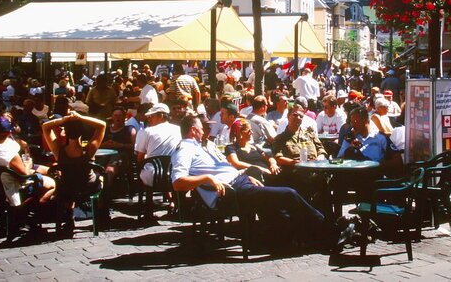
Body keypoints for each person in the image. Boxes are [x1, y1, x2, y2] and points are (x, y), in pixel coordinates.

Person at [170, 114, 327, 247]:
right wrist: (208, 178)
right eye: (201, 128)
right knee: (288, 194)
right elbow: (178, 183)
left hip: (241, 181)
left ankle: (305, 235)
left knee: (281, 202)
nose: (204, 131)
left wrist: (244, 174)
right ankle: (324, 228)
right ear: (193, 130)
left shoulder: (199, 147)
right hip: (232, 191)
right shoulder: (184, 149)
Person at [42, 111, 106, 232]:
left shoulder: (58, 151)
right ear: (82, 132)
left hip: (67, 189)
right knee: (102, 177)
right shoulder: (89, 149)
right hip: (88, 188)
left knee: (69, 180)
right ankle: (102, 214)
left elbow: (45, 127)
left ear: (65, 132)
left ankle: (69, 215)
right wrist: (81, 118)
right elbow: (102, 125)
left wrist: (64, 120)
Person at [0, 116, 55, 205]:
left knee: (43, 170)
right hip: (12, 188)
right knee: (52, 184)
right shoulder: (10, 152)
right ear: (8, 133)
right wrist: (28, 164)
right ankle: (33, 207)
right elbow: (25, 174)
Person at [337, 106, 401, 173]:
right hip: (355, 172)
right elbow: (339, 160)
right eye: (351, 122)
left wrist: (378, 165)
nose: (353, 125)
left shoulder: (380, 137)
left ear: (366, 121)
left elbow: (398, 160)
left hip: (375, 173)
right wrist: (350, 149)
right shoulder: (349, 138)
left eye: (355, 121)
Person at [134, 103, 182, 187]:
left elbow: (139, 158)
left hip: (152, 177)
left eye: (151, 116)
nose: (149, 119)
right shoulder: (178, 129)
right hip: (173, 175)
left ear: (161, 116)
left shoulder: (147, 131)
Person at [100, 107, 136, 190]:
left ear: (124, 117)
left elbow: (135, 146)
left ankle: (106, 190)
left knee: (110, 169)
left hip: (121, 156)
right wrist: (104, 144)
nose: (117, 118)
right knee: (97, 166)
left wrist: (121, 145)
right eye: (115, 115)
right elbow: (96, 144)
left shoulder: (129, 129)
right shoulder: (106, 130)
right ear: (112, 117)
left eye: (120, 115)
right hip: (104, 154)